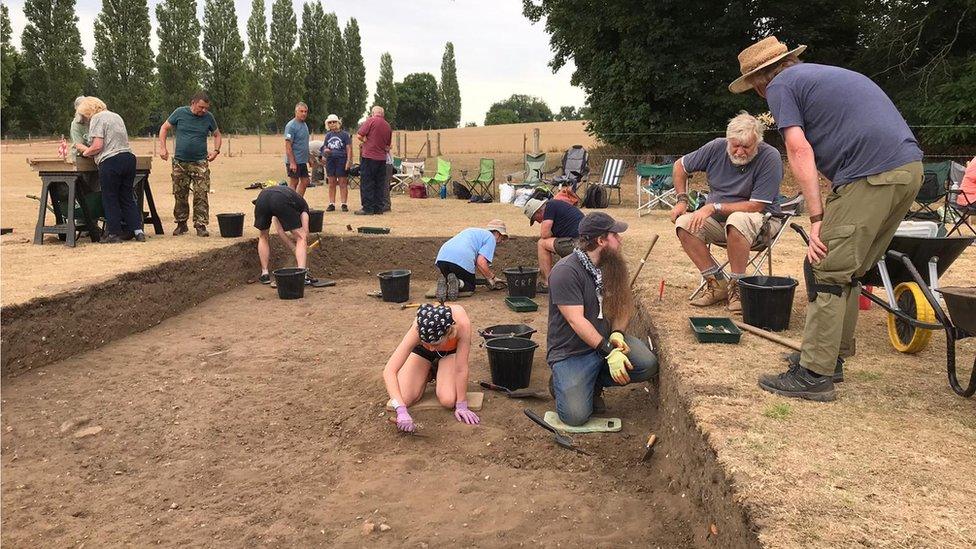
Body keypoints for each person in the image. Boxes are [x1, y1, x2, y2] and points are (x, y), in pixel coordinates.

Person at [731, 36, 923, 401]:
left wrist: (817, 216)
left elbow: (799, 148)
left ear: (758, 81)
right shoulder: (820, 76)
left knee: (826, 267)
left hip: (873, 174)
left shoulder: (781, 86)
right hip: (908, 169)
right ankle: (830, 356)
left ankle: (814, 374)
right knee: (847, 269)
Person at [547, 212, 658, 426]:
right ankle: (561, 382)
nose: (621, 239)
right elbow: (576, 321)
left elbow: (623, 305)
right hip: (572, 352)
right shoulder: (565, 272)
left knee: (647, 364)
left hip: (606, 344)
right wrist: (609, 350)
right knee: (575, 417)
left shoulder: (613, 265)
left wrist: (616, 333)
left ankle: (593, 382)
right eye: (615, 235)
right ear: (600, 241)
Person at [669, 112, 784, 313]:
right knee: (684, 224)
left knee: (737, 219)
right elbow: (680, 166)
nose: (739, 151)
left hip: (762, 222)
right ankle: (717, 283)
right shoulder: (716, 147)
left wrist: (714, 207)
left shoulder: (770, 157)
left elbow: (756, 206)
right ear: (728, 140)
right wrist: (682, 200)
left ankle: (738, 287)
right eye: (735, 145)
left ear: (758, 142)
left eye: (746, 147)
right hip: (719, 222)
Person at [382, 303, 480, 433]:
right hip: (422, 352)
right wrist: (400, 409)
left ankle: (440, 368)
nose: (432, 348)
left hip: (449, 353)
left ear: (449, 332)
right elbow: (389, 371)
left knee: (448, 400)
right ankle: (428, 372)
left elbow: (461, 368)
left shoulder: (461, 325)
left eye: (435, 344)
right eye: (426, 343)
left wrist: (461, 404)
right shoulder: (418, 327)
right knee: (404, 398)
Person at [74, 97, 145, 243]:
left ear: (88, 111)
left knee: (110, 197)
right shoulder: (116, 116)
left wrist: (85, 152)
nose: (85, 119)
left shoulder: (97, 118)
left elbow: (98, 145)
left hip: (111, 161)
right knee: (127, 197)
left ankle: (114, 233)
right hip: (128, 159)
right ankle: (138, 231)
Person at [158, 91, 221, 237]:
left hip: (200, 162)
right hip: (180, 161)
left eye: (206, 108)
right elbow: (164, 128)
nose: (204, 110)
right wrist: (163, 147)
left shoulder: (208, 117)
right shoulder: (180, 113)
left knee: (201, 193)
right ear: (193, 103)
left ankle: (200, 225)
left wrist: (216, 151)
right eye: (201, 107)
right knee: (180, 193)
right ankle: (181, 224)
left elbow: (217, 134)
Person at [253, 184, 315, 285]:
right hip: (280, 199)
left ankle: (264, 274)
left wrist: (294, 248)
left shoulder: (291, 200)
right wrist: (301, 247)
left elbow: (280, 231)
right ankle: (302, 275)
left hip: (262, 198)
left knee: (263, 236)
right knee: (301, 237)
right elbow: (305, 233)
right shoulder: (304, 207)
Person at [433, 220, 509, 300]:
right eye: (502, 237)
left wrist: (488, 277)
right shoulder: (490, 237)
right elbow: (481, 262)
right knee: (470, 285)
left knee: (451, 278)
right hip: (461, 258)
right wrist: (492, 278)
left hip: (442, 258)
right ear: (497, 233)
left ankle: (446, 282)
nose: (501, 241)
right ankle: (458, 283)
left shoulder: (473, 231)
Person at [522, 197, 583, 293]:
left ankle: (547, 284)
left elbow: (544, 234)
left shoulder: (550, 206)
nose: (538, 222)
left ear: (538, 211)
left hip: (577, 243)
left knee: (541, 243)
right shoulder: (557, 208)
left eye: (535, 219)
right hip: (582, 242)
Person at [355, 105, 392, 215]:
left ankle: (367, 208)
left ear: (372, 113)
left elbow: (359, 135)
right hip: (382, 159)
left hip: (369, 156)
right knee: (379, 183)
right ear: (383, 114)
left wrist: (365, 141)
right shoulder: (388, 126)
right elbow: (388, 146)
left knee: (367, 182)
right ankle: (378, 208)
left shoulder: (370, 121)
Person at [322, 114, 352, 212]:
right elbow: (324, 147)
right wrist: (325, 151)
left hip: (341, 159)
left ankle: (344, 203)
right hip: (330, 160)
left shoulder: (344, 135)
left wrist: (349, 161)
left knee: (343, 182)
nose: (332, 124)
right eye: (330, 122)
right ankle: (332, 203)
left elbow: (349, 149)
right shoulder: (328, 135)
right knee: (331, 182)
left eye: (334, 122)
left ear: (338, 123)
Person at [284, 102, 311, 196]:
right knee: (294, 183)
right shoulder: (291, 126)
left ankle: (298, 202)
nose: (304, 113)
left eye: (305, 111)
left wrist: (309, 158)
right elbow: (288, 146)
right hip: (294, 161)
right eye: (301, 111)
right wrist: (292, 162)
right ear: (296, 112)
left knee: (305, 181)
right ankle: (290, 204)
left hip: (302, 161)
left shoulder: (304, 125)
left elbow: (304, 144)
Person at [69, 96, 90, 163]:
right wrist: (94, 153)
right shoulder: (75, 124)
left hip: (93, 155)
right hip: (80, 156)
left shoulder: (95, 119)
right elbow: (79, 146)